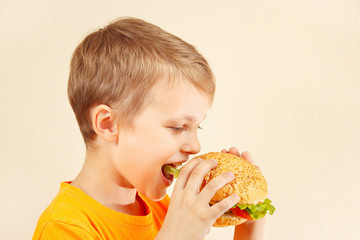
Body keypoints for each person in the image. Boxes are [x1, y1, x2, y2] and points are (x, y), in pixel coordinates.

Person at [33, 17, 265, 240]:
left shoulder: (163, 208)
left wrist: (248, 223)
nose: (195, 146)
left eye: (198, 126)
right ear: (108, 124)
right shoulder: (65, 227)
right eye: (177, 127)